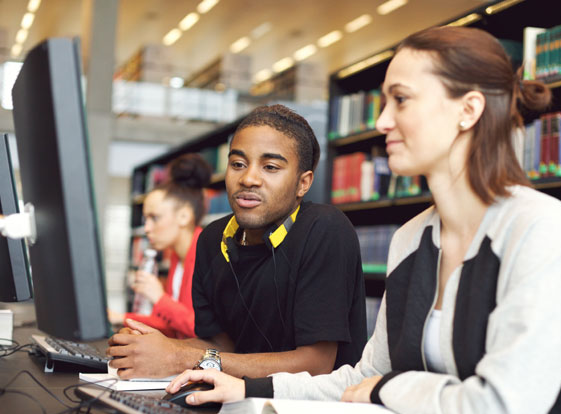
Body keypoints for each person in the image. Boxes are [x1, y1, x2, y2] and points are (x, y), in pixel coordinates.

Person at [166, 27, 561, 414]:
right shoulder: (412, 239)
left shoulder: (542, 230)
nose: (382, 121)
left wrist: (389, 389)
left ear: (468, 109)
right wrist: (246, 388)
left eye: (401, 100)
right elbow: (362, 376)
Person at [108, 104, 367, 380]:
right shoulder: (212, 239)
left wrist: (177, 357)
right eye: (238, 164)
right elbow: (221, 347)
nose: (248, 178)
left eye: (270, 167)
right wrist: (150, 346)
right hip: (235, 403)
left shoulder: (325, 229)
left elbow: (315, 364)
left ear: (303, 184)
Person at [108, 153, 212, 338]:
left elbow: (200, 329)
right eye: (146, 219)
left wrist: (158, 297)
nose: (147, 229)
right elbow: (171, 323)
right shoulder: (176, 256)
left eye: (154, 218)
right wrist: (119, 317)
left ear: (184, 216)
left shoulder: (206, 255)